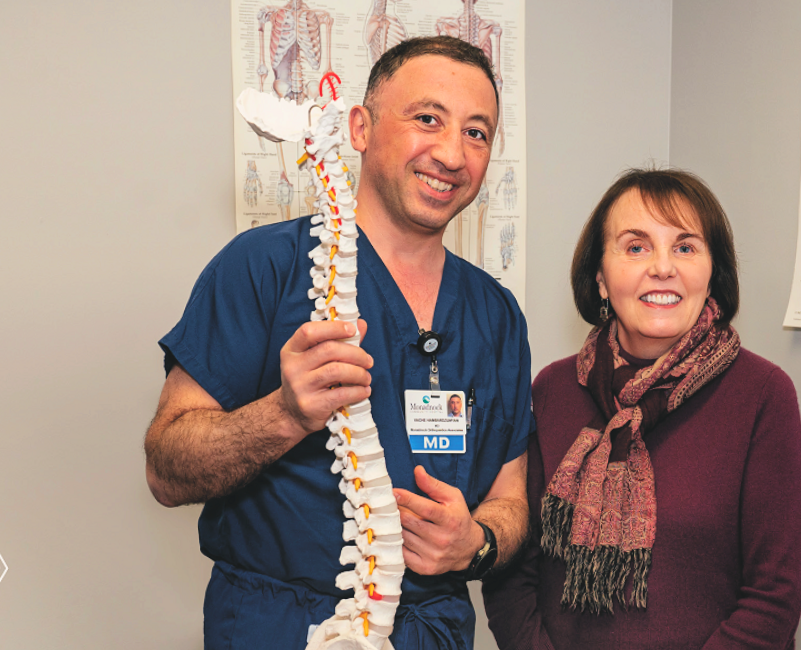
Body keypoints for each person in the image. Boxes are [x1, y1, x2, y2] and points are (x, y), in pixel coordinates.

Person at [145, 36, 533, 649]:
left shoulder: (496, 314)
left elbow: (511, 497)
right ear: (359, 128)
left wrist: (476, 543)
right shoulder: (262, 269)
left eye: (477, 132)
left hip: (433, 627)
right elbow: (166, 469)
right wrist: (283, 415)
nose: (452, 153)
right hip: (275, 626)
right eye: (427, 118)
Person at [483, 169, 801, 649]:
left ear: (712, 272)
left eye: (685, 247)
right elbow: (513, 573)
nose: (663, 267)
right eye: (636, 247)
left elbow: (772, 598)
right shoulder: (552, 389)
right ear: (599, 278)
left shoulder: (763, 394)